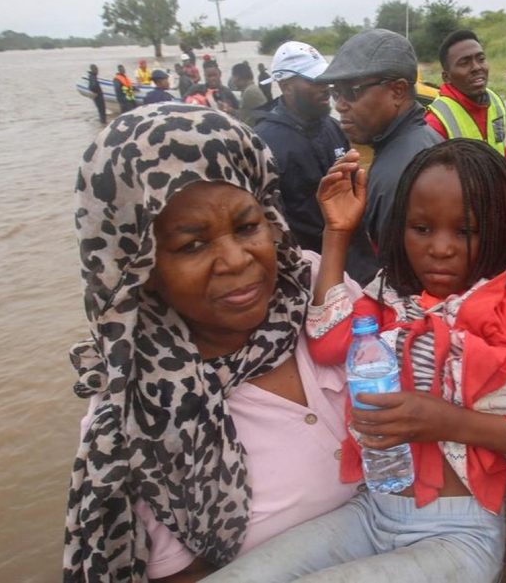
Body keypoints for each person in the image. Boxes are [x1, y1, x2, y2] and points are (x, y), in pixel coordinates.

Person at [206, 139, 506, 583]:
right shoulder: (389, 296)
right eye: (421, 228)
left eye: (465, 231)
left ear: (499, 228)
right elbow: (327, 343)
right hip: (369, 511)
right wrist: (337, 233)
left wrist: (447, 422)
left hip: (458, 534)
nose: (440, 248)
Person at [62, 104, 364, 582]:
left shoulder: (316, 288)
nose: (236, 260)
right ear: (140, 269)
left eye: (247, 227)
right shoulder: (137, 419)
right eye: (192, 245)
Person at [253, 41, 377, 285]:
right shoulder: (262, 143)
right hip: (311, 274)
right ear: (286, 86)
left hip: (360, 264)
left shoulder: (332, 127)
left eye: (326, 80)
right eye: (315, 81)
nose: (326, 88)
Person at [317, 28, 442, 250]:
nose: (339, 105)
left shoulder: (393, 176)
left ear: (398, 91)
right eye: (336, 93)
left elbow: (398, 277)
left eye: (352, 91)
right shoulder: (428, 138)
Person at [426, 30, 506, 155]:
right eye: (464, 63)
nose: (477, 67)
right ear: (446, 77)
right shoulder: (435, 122)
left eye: (481, 59)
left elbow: (500, 147)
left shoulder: (495, 101)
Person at [230, 61, 268, 127]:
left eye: (233, 76)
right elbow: (245, 114)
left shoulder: (250, 92)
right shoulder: (251, 89)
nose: (233, 80)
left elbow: (243, 119)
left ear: (238, 77)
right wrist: (231, 110)